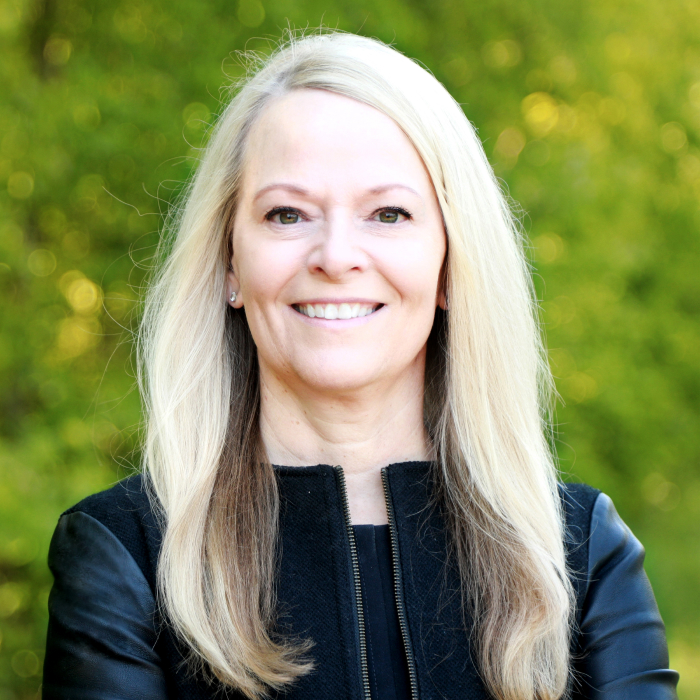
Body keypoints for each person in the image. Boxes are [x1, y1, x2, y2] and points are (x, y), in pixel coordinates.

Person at [43, 32, 679, 700]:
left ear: (448, 266)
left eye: (388, 213)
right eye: (287, 213)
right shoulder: (128, 557)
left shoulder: (579, 556)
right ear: (230, 263)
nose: (336, 255)